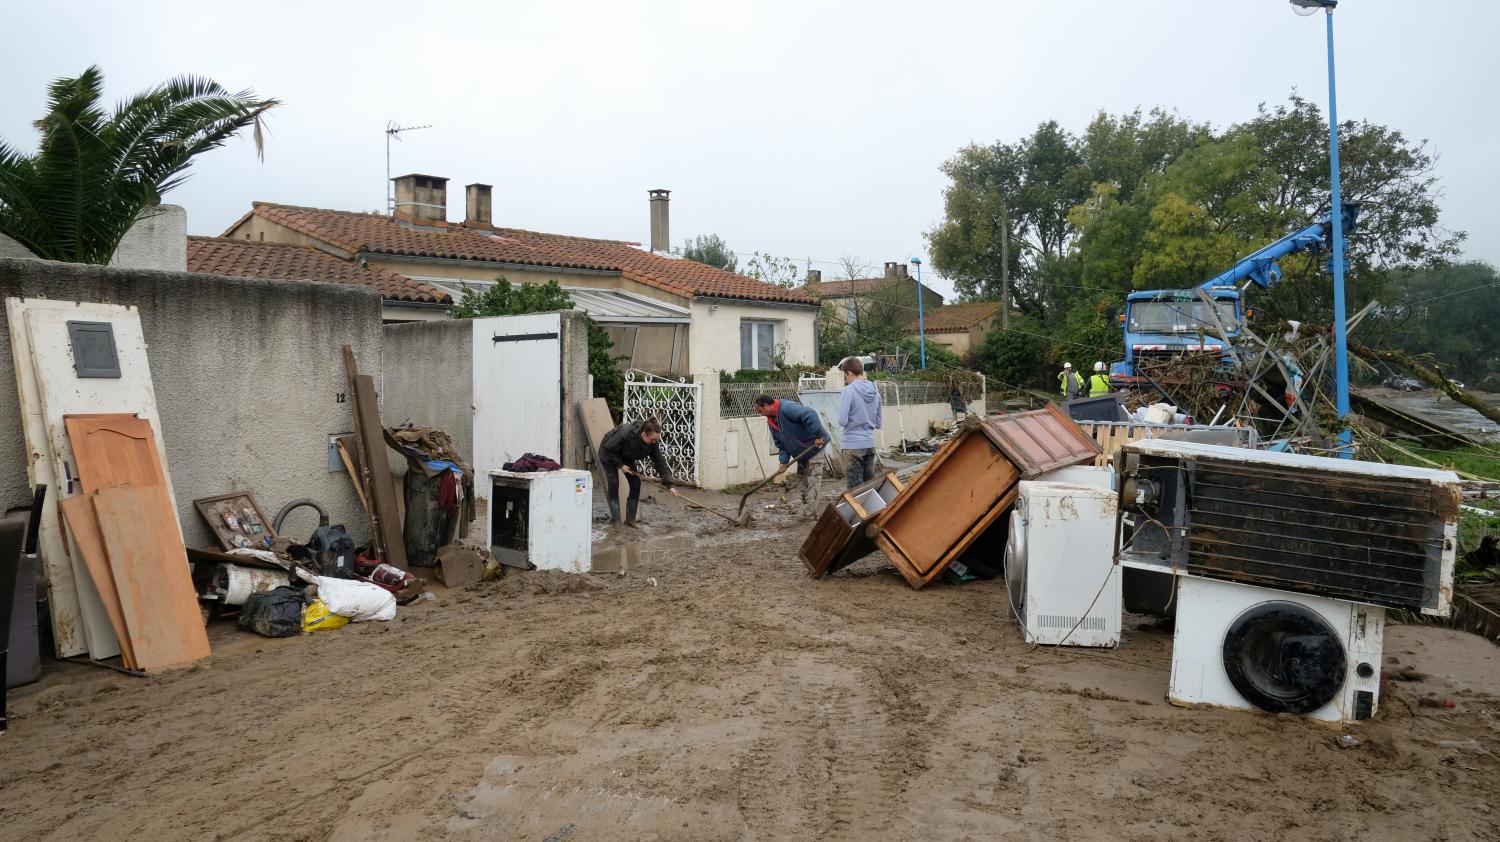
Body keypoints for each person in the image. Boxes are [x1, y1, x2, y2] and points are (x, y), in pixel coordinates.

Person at [753, 394, 827, 515]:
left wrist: (818, 436)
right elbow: (782, 445)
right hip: (802, 451)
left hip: (815, 446)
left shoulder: (787, 408)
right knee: (802, 480)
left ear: (766, 406)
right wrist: (783, 462)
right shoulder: (771, 422)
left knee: (813, 478)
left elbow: (810, 414)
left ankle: (807, 512)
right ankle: (805, 508)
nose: (759, 413)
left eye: (760, 410)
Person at [598, 417, 677, 527]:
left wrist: (670, 485)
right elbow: (608, 449)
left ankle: (630, 520)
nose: (654, 442)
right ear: (644, 434)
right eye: (652, 439)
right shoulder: (624, 433)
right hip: (609, 452)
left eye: (656, 440)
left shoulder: (652, 443)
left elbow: (660, 462)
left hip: (626, 454)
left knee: (635, 482)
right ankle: (616, 520)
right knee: (614, 482)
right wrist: (620, 465)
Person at [836, 357, 882, 489]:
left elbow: (842, 421)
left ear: (849, 373)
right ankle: (872, 510)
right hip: (869, 444)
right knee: (869, 488)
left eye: (845, 376)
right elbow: (878, 423)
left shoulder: (848, 391)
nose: (846, 380)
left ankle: (856, 510)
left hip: (852, 445)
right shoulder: (875, 392)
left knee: (855, 491)